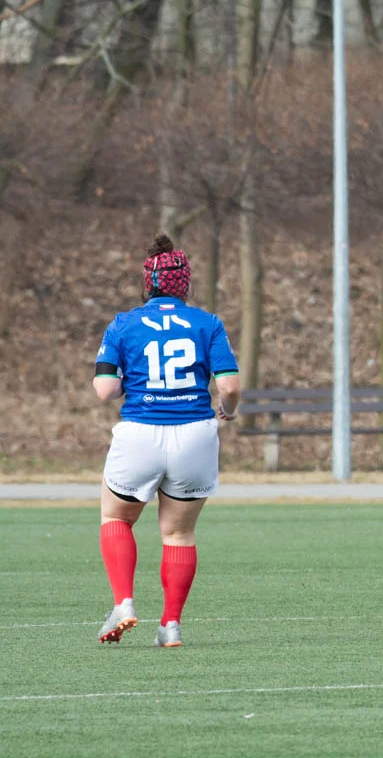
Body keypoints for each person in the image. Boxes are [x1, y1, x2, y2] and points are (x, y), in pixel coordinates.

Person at [93, 234, 240, 648]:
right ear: (186, 286)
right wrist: (227, 411)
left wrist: (125, 383)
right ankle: (170, 625)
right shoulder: (207, 323)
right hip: (194, 435)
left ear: (148, 284)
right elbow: (228, 385)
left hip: (140, 432)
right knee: (178, 535)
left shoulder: (124, 324)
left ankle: (124, 603)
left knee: (117, 518)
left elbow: (105, 390)